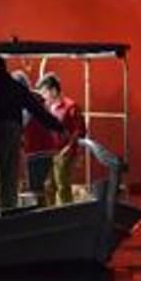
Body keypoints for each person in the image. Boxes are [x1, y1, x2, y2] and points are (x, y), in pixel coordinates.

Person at [0, 54, 69, 219]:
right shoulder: (15, 88)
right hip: (10, 135)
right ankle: (8, 215)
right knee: (8, 179)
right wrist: (58, 126)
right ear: (4, 67)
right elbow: (37, 110)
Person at [22, 74, 85, 204]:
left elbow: (80, 131)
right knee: (48, 186)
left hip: (64, 153)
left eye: (45, 91)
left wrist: (69, 148)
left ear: (54, 90)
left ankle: (65, 212)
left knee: (62, 185)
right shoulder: (47, 107)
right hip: (50, 151)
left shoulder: (71, 107)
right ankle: (49, 212)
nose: (43, 95)